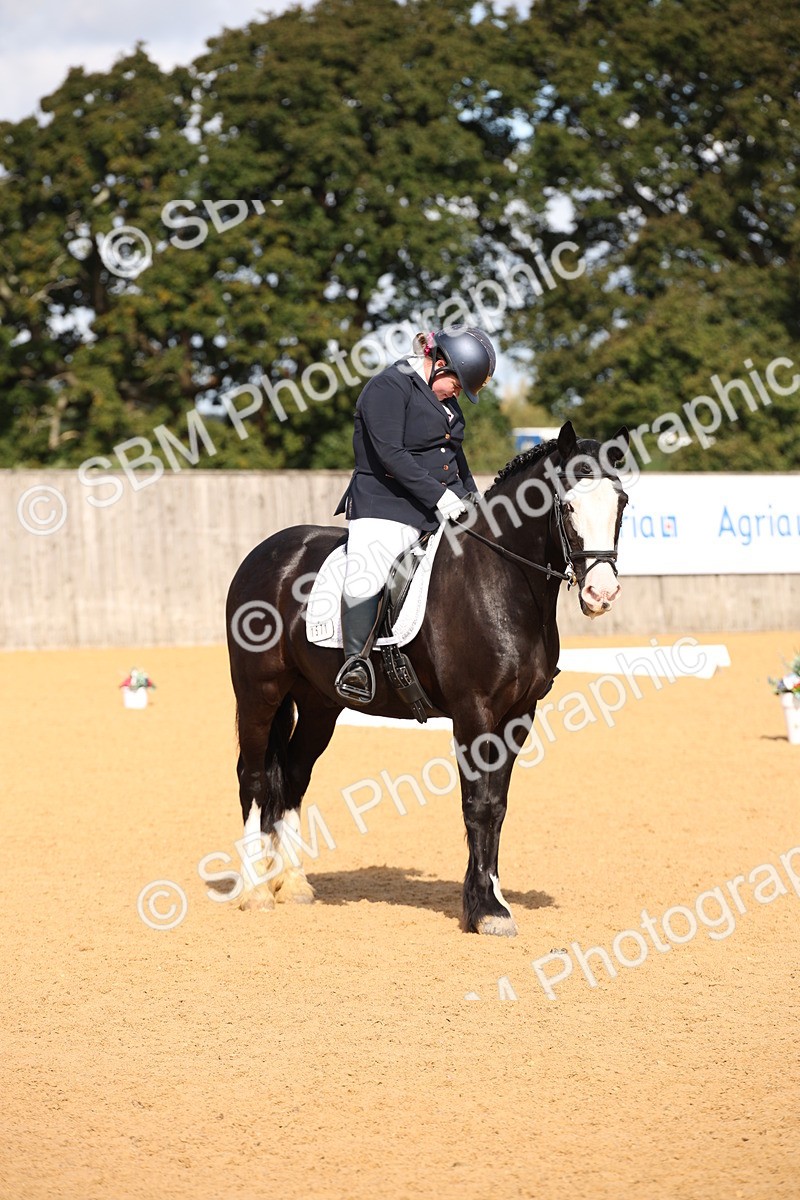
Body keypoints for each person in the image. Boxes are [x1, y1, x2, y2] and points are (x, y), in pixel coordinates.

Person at [333, 325, 497, 704]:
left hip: (431, 506)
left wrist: (475, 503)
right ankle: (355, 663)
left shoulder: (447, 404)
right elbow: (391, 454)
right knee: (369, 570)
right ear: (439, 364)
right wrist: (439, 498)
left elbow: (455, 460)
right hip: (384, 504)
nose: (458, 394)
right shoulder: (389, 387)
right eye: (457, 384)